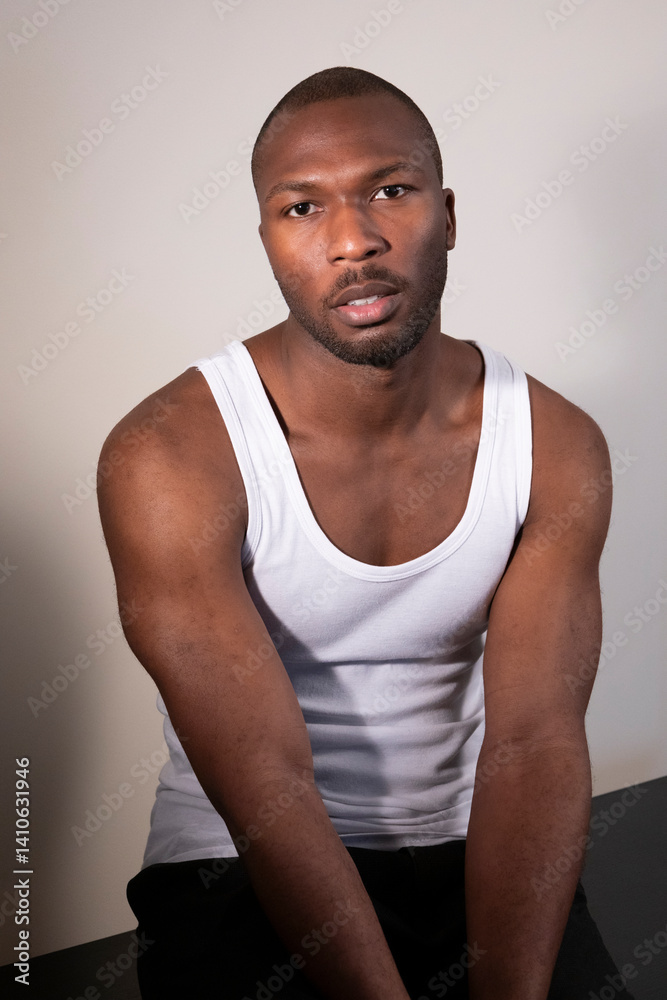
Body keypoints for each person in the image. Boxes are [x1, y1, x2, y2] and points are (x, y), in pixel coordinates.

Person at [97, 67, 636, 1000]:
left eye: (390, 190)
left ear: (448, 214)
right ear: (266, 240)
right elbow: (263, 778)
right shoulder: (170, 454)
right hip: (237, 852)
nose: (353, 241)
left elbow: (533, 739)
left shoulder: (552, 442)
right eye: (302, 208)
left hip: (480, 841)